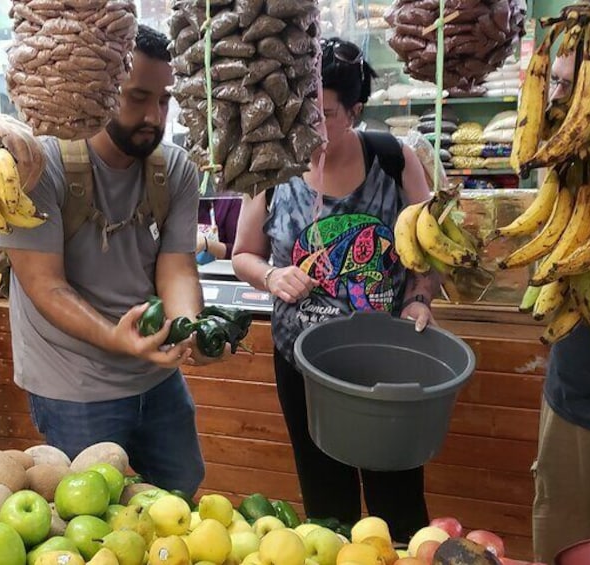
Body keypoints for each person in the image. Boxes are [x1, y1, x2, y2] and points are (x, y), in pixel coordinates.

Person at [0, 25, 220, 496]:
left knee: (180, 486)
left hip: (156, 376)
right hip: (72, 383)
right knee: (90, 511)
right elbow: (45, 285)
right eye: (138, 97)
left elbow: (177, 265)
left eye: (164, 100)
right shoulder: (37, 164)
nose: (154, 117)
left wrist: (186, 325)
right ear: (103, 88)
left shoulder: (174, 168)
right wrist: (116, 338)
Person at [231, 37, 437, 542]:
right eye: (303, 111)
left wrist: (418, 298)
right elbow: (242, 254)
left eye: (323, 114)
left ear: (356, 111)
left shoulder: (394, 160)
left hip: (382, 364)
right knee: (327, 504)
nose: (310, 127)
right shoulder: (274, 167)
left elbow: (432, 250)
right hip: (303, 364)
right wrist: (272, 276)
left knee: (398, 499)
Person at [532, 47, 590, 563]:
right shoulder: (570, 178)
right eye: (559, 85)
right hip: (567, 404)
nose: (564, 102)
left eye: (579, 87)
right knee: (561, 550)